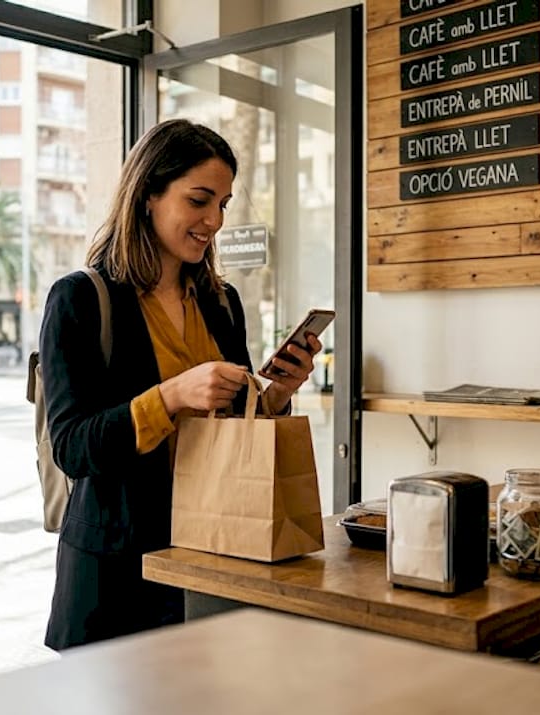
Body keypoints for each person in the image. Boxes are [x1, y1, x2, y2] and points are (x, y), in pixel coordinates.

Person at [38, 119, 322, 651]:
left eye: (224, 204)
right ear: (148, 194)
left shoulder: (221, 301)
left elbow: (230, 434)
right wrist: (171, 396)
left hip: (211, 559)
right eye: (199, 200)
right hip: (116, 580)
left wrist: (276, 395)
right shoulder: (81, 299)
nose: (213, 220)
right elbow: (73, 448)